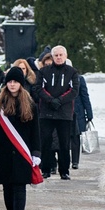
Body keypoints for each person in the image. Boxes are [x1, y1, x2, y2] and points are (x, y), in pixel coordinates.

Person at [0, 66, 41, 210]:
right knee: (7, 189)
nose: (12, 85)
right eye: (9, 81)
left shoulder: (31, 105)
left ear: (21, 84)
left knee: (19, 188)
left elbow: (35, 131)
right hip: (3, 154)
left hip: (22, 154)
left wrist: (36, 152)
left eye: (15, 82)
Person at [37, 45, 79, 180]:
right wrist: (50, 100)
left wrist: (60, 100)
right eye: (56, 55)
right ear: (53, 57)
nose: (59, 57)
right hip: (46, 112)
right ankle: (46, 169)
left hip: (64, 113)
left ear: (66, 56)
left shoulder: (72, 72)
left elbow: (74, 90)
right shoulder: (44, 71)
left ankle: (64, 170)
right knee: (45, 141)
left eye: (61, 55)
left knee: (64, 143)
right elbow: (39, 88)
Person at [70, 73, 93, 170]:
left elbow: (85, 96)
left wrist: (89, 113)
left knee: (75, 137)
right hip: (63, 112)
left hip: (77, 113)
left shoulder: (79, 79)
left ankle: (75, 161)